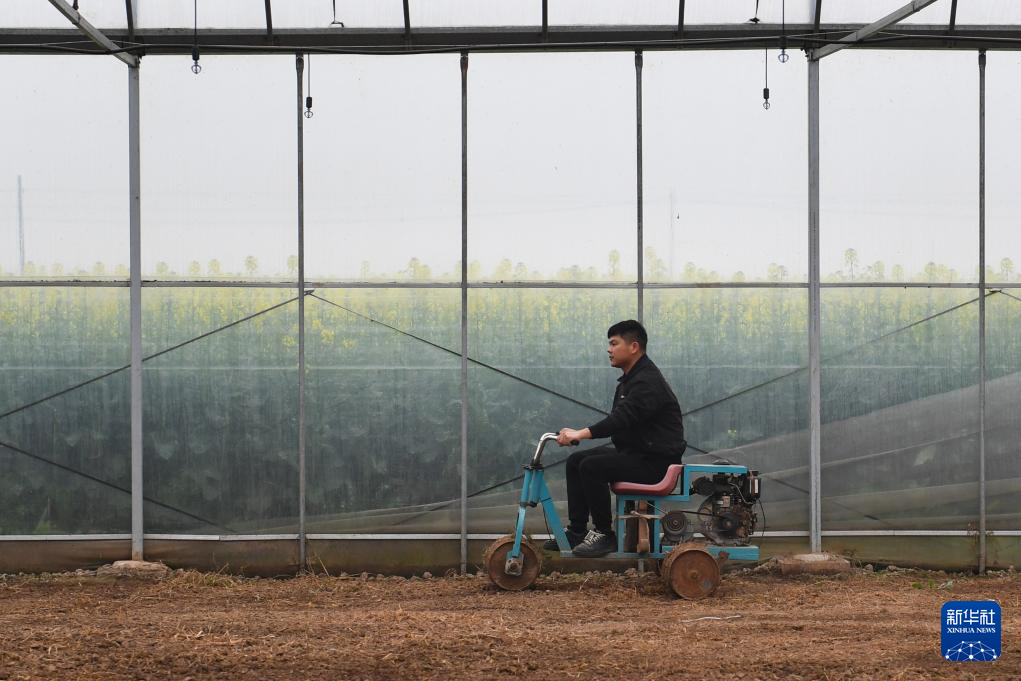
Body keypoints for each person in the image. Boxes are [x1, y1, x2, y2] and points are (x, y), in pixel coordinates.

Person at [546, 319, 686, 557]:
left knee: (592, 466)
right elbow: (620, 421)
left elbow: (620, 420)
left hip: (656, 463)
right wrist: (579, 435)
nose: (609, 350)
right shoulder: (630, 381)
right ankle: (577, 531)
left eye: (614, 343)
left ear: (633, 347)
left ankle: (604, 534)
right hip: (636, 454)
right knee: (576, 461)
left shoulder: (646, 382)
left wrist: (580, 433)